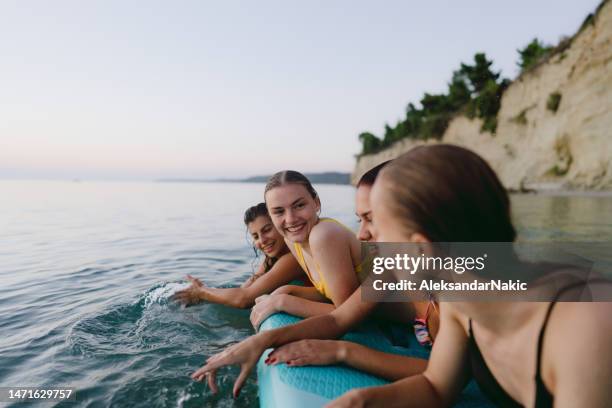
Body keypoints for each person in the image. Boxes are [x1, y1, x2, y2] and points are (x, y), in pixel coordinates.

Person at [327, 145, 612, 407]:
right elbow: (435, 386)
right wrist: (360, 401)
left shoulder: (585, 323)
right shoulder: (459, 299)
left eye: (377, 226)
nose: (363, 236)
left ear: (422, 249)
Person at [189, 165, 439, 397]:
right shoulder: (388, 268)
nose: (361, 234)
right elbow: (339, 318)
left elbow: (447, 376)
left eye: (371, 219)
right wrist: (260, 340)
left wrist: (344, 352)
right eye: (278, 212)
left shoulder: (461, 282)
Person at [248, 170, 362, 329]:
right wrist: (288, 290)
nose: (291, 219)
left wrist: (283, 302)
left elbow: (348, 314)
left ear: (317, 203)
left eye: (299, 205)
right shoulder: (291, 240)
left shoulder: (324, 234)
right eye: (279, 211)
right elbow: (330, 293)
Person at [172, 203, 304, 309]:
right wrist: (204, 292)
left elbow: (243, 299)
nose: (262, 240)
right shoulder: (271, 259)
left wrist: (202, 292)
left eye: (267, 230)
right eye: (256, 236)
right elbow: (243, 289)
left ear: (279, 225)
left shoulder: (292, 258)